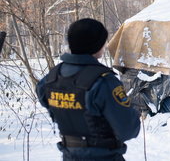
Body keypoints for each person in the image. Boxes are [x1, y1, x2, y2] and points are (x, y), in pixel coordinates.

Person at [36, 18, 141, 160]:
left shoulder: (52, 77)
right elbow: (128, 129)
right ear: (97, 45)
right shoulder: (103, 81)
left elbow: (44, 97)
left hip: (69, 155)